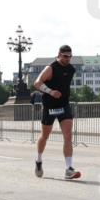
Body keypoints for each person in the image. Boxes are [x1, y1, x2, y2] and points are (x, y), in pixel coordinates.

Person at [33, 45, 81, 179]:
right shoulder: (50, 68)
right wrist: (50, 92)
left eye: (70, 56)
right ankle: (38, 160)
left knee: (68, 136)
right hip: (49, 106)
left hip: (64, 105)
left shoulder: (72, 69)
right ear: (59, 55)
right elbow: (37, 83)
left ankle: (68, 169)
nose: (67, 59)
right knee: (45, 136)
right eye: (65, 56)